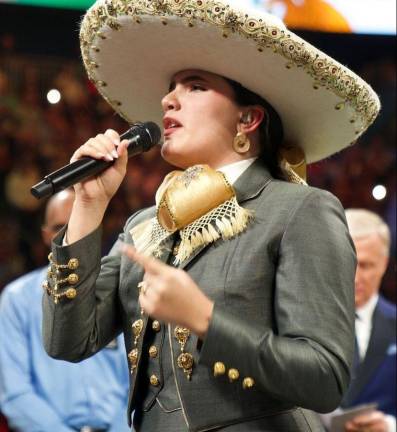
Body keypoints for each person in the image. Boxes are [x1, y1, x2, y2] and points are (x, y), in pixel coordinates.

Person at [42, 1, 380, 431]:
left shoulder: (300, 209)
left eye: (195, 86)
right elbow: (67, 342)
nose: (168, 99)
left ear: (248, 119)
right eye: (172, 88)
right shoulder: (147, 225)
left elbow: (325, 379)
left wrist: (205, 319)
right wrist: (89, 205)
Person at [0, 189, 131, 432]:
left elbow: (137, 378)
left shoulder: (117, 288)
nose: (71, 234)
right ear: (45, 235)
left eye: (78, 224)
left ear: (98, 229)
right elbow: (15, 392)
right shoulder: (16, 299)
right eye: (60, 226)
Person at [341, 209, 396, 432]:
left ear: (383, 264)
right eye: (347, 263)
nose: (354, 278)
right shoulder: (295, 320)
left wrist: (390, 426)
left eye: (365, 265)